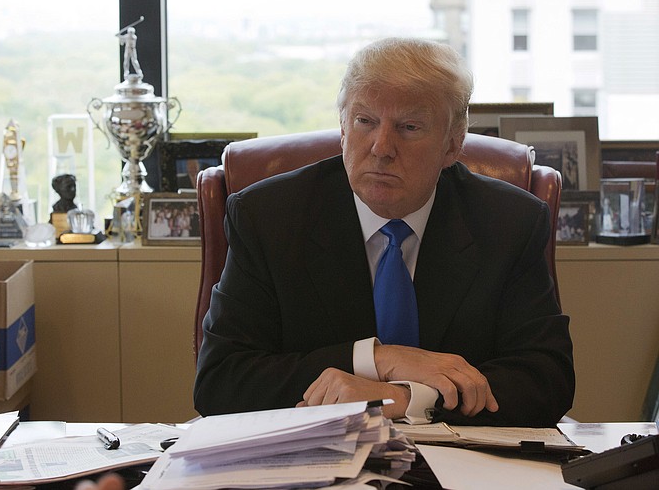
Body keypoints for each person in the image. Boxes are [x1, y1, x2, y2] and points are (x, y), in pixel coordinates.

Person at [194, 37, 575, 428]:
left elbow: (546, 379)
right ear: (343, 129)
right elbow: (221, 381)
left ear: (452, 145)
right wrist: (378, 359)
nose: (381, 148)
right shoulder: (270, 217)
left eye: (409, 127)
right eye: (365, 121)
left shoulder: (508, 221)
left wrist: (408, 397)